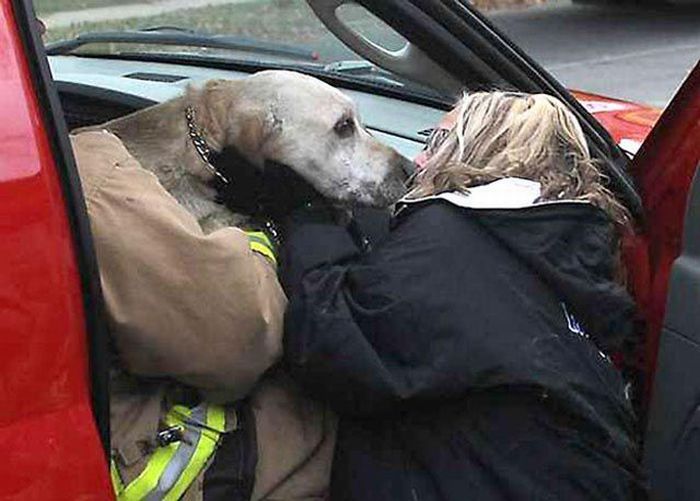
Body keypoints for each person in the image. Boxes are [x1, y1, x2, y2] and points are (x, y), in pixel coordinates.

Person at [277, 92, 646, 500]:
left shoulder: (450, 238)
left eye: (435, 141)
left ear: (482, 147)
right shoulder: (557, 255)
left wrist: (310, 215)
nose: (416, 160)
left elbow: (329, 341)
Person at [71, 130, 336, 501]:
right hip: (124, 462)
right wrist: (263, 240)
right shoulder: (85, 174)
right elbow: (239, 342)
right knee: (331, 425)